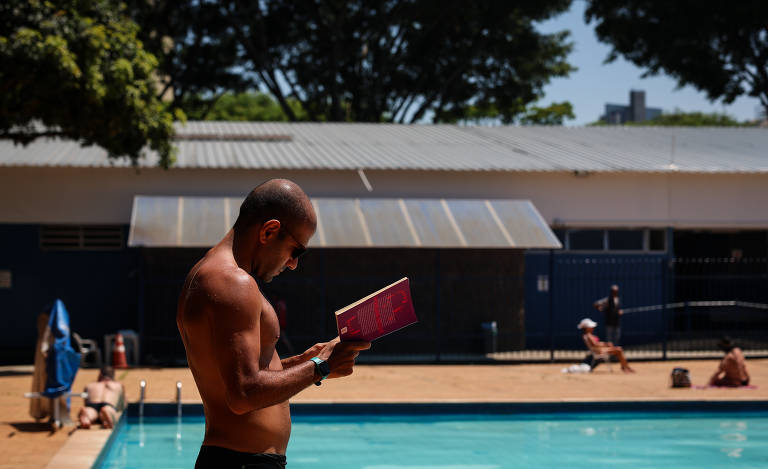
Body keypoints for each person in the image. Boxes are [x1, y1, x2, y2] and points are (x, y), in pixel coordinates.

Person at [177, 179, 370, 469]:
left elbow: (238, 373)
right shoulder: (233, 283)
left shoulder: (209, 275)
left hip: (235, 459)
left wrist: (304, 362)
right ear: (269, 231)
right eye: (297, 251)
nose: (293, 264)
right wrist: (321, 366)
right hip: (242, 462)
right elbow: (243, 393)